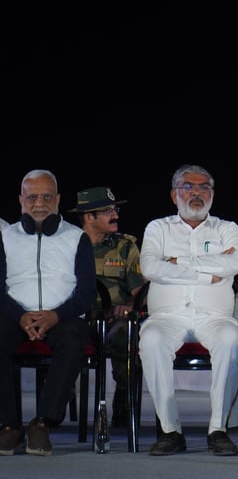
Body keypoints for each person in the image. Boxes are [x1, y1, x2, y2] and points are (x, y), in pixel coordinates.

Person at [138, 164, 238, 456]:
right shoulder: (158, 228)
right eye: (188, 186)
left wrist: (176, 263)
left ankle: (218, 429)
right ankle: (170, 430)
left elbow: (233, 264)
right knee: (152, 340)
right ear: (174, 195)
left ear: (212, 194)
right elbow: (149, 267)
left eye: (204, 187)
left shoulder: (227, 228)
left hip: (215, 317)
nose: (196, 193)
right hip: (167, 316)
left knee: (230, 341)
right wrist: (203, 272)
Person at [0, 169, 96, 456]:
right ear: (21, 200)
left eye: (46, 196)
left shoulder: (77, 238)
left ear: (57, 200)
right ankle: (9, 426)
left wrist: (55, 315)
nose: (39, 203)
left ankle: (42, 423)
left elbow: (87, 292)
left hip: (62, 317)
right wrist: (20, 315)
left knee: (74, 339)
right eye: (32, 197)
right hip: (14, 314)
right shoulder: (5, 237)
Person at [67, 186, 145, 428]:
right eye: (108, 211)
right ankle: (57, 401)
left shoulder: (125, 246)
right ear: (89, 216)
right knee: (64, 335)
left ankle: (124, 399)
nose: (116, 215)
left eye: (115, 209)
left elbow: (140, 294)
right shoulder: (66, 245)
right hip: (77, 316)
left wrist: (129, 306)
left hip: (114, 319)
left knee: (125, 335)